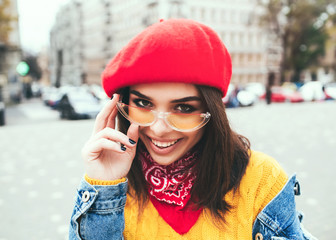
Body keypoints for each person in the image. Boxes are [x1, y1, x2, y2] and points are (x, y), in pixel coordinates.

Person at [69, 19, 315, 240]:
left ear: (212, 112)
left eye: (184, 108)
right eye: (144, 104)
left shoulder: (260, 180)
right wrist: (103, 189)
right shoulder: (111, 183)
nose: (159, 128)